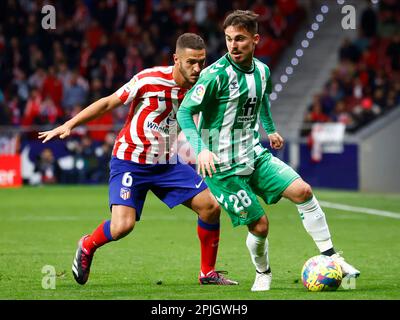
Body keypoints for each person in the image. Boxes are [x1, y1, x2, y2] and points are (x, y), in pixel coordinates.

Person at [177, 11, 360, 292]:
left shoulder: (262, 71)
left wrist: (270, 129)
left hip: (254, 155)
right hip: (222, 168)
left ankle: (332, 257)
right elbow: (186, 113)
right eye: (228, 39)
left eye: (239, 39)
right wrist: (200, 150)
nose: (233, 45)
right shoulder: (214, 76)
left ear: (255, 39)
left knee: (303, 191)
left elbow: (261, 101)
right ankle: (263, 272)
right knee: (260, 226)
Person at [38, 33, 237, 286]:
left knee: (210, 207)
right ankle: (87, 244)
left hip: (166, 163)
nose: (197, 69)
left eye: (202, 62)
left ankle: (207, 273)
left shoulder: (203, 87)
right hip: (130, 160)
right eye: (191, 62)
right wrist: (70, 124)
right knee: (123, 226)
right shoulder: (148, 79)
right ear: (176, 59)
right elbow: (109, 102)